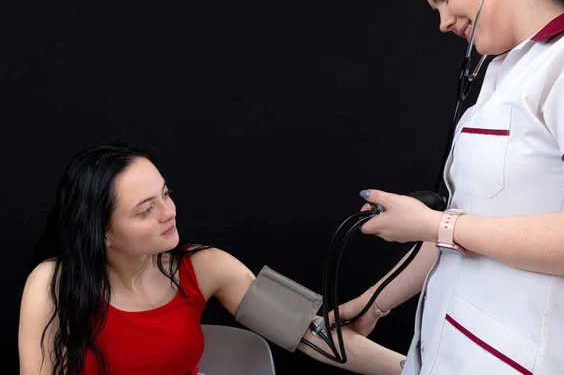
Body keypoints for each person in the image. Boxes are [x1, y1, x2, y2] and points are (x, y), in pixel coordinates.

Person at [334, 0, 564, 374]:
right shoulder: (503, 71)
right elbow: (468, 226)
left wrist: (437, 225)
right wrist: (376, 301)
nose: (442, 22)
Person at [17, 142, 405, 375]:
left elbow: (310, 335)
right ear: (102, 231)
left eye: (165, 194)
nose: (169, 211)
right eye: (145, 209)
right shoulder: (53, 283)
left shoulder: (205, 267)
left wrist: (421, 369)